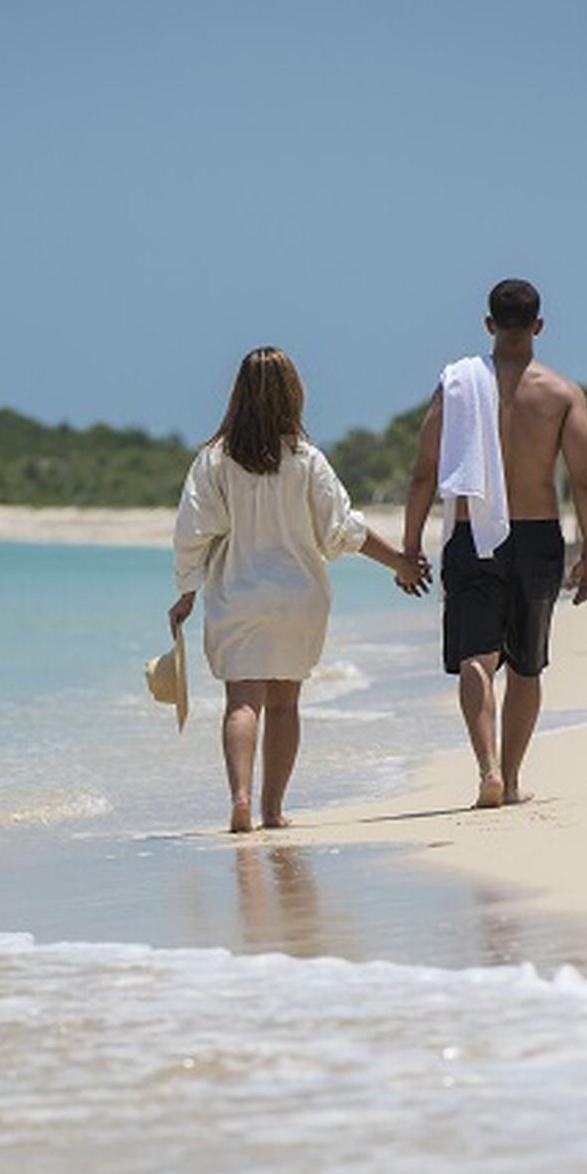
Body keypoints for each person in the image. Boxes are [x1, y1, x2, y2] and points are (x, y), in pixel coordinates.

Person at [169, 346, 428, 833]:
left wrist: (186, 591)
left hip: (239, 594)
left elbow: (192, 532)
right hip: (299, 597)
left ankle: (240, 799)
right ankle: (273, 810)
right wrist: (399, 562)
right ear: (294, 395)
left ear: (237, 395)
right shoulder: (307, 459)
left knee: (242, 702)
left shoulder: (214, 461)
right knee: (285, 704)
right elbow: (341, 531)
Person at [400, 278, 587, 807]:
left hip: (474, 533)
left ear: (489, 325)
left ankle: (486, 768)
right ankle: (511, 781)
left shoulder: (457, 386)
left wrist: (409, 548)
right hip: (537, 536)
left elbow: (424, 472)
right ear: (538, 326)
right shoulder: (561, 393)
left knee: (476, 657)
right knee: (527, 663)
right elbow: (586, 480)